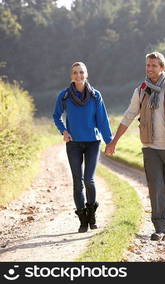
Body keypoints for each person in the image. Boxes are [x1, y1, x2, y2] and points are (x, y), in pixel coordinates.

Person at [105, 52, 165, 241]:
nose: (149, 69)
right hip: (150, 147)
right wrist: (114, 141)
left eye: (153, 65)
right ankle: (159, 227)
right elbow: (129, 115)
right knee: (156, 187)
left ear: (162, 68)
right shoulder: (141, 90)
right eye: (147, 65)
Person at [52, 62, 113, 233]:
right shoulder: (64, 96)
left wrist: (110, 141)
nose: (78, 75)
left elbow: (102, 120)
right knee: (77, 183)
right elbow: (56, 116)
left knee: (89, 180)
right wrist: (63, 130)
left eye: (81, 72)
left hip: (93, 142)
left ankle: (92, 213)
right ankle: (83, 220)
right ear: (71, 75)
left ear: (86, 74)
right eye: (75, 72)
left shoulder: (95, 96)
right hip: (74, 144)